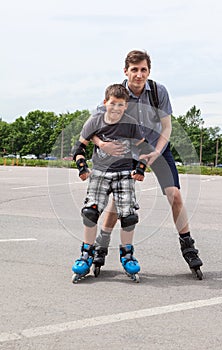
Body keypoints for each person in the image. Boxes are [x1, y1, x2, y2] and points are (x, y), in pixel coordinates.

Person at [92, 50, 203, 277]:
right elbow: (94, 127)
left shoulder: (158, 92)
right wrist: (103, 145)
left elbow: (167, 127)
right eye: (134, 70)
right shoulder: (117, 94)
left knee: (175, 196)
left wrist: (156, 152)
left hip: (156, 148)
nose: (139, 75)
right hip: (127, 151)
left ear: (149, 71)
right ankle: (101, 246)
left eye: (143, 70)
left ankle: (188, 246)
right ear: (126, 71)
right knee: (118, 202)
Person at [71, 83, 152, 282]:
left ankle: (127, 254)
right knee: (90, 213)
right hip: (99, 172)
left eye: (120, 105)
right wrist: (82, 167)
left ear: (126, 106)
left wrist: (140, 168)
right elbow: (78, 148)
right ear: (105, 102)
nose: (116, 108)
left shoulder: (131, 123)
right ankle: (86, 253)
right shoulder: (95, 121)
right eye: (113, 103)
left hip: (124, 173)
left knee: (129, 216)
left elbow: (144, 149)